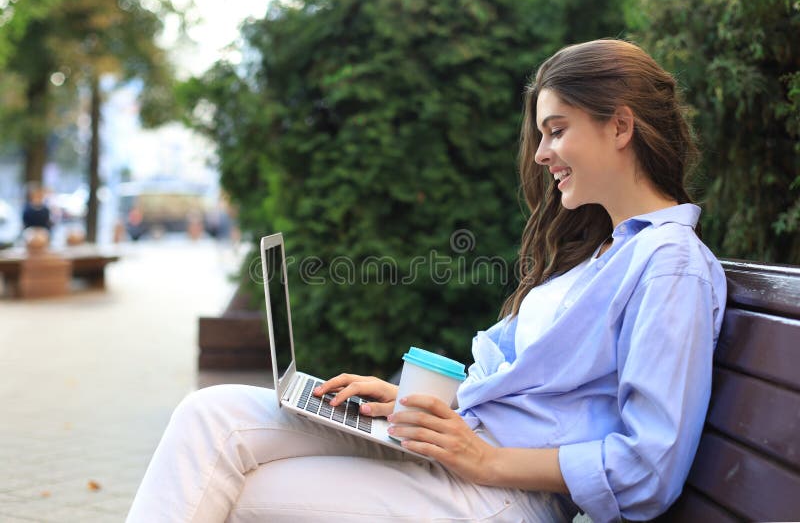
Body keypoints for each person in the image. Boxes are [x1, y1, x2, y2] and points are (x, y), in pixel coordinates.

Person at [127, 39, 726, 523]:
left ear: (620, 128)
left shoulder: (670, 264)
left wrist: (486, 461)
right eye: (543, 133)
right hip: (455, 454)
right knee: (211, 415)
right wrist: (420, 405)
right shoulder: (603, 253)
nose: (542, 153)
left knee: (235, 489)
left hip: (496, 493)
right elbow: (532, 393)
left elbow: (651, 466)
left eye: (556, 129)